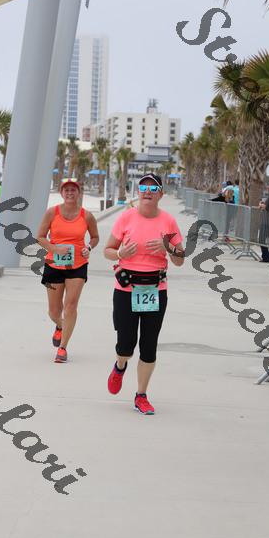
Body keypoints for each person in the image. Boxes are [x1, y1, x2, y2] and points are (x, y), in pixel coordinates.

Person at [104, 173, 184, 415]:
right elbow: (108, 250)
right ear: (138, 192)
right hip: (126, 289)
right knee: (125, 345)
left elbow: (180, 259)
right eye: (143, 187)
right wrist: (121, 254)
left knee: (149, 345)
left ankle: (141, 395)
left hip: (155, 289)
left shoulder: (168, 221)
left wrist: (167, 247)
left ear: (161, 194)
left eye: (153, 188)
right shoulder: (126, 217)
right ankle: (120, 366)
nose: (148, 191)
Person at [37, 178, 99, 363]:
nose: (70, 193)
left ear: (78, 193)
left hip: (77, 265)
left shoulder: (87, 216)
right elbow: (40, 237)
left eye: (73, 190)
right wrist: (54, 248)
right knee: (54, 311)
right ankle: (61, 326)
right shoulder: (52, 212)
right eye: (67, 190)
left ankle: (63, 348)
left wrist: (89, 247)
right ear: (61, 193)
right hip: (53, 265)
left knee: (70, 306)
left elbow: (95, 237)